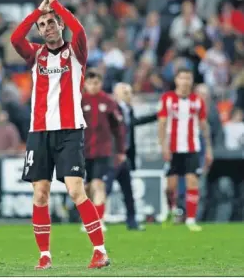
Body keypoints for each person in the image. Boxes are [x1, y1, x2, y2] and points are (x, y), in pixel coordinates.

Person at [10, 0, 110, 270]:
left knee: (76, 190)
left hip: (69, 131)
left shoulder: (75, 52)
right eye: (42, 25)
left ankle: (100, 250)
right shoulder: (35, 55)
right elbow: (16, 38)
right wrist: (38, 11)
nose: (47, 27)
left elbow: (79, 31)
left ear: (59, 25)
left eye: (51, 22)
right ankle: (44, 256)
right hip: (39, 132)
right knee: (40, 193)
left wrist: (58, 5)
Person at [158, 69, 213, 232]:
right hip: (173, 148)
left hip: (192, 147)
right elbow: (161, 124)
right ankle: (171, 210)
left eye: (188, 78)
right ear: (176, 80)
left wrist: (209, 148)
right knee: (170, 187)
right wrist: (163, 146)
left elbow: (204, 126)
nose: (185, 81)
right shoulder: (167, 98)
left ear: (191, 81)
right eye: (182, 78)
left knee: (192, 181)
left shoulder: (198, 101)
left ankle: (190, 219)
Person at [81, 70, 126, 232]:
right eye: (90, 83)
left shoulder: (108, 102)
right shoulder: (78, 101)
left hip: (102, 151)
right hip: (82, 152)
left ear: (100, 84)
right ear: (85, 84)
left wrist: (120, 150)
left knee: (98, 184)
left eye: (96, 83)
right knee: (85, 188)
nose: (93, 86)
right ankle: (88, 219)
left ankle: (99, 220)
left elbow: (118, 129)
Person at [110, 82, 157, 231]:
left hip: (126, 156)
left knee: (128, 191)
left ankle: (132, 221)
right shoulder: (111, 109)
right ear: (116, 94)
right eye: (125, 92)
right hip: (112, 156)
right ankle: (93, 220)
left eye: (130, 92)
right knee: (103, 188)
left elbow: (132, 124)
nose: (129, 95)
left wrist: (156, 116)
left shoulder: (128, 110)